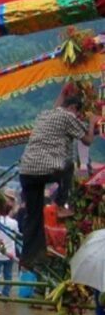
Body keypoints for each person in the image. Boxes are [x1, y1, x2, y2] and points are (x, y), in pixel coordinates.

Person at [19, 91, 98, 267]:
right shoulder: (68, 117)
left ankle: (29, 257)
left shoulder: (46, 114)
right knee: (69, 164)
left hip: (26, 171)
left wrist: (63, 92)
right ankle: (61, 203)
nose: (78, 117)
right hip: (46, 169)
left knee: (33, 216)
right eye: (78, 113)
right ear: (72, 108)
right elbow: (87, 140)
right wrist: (91, 123)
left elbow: (58, 105)